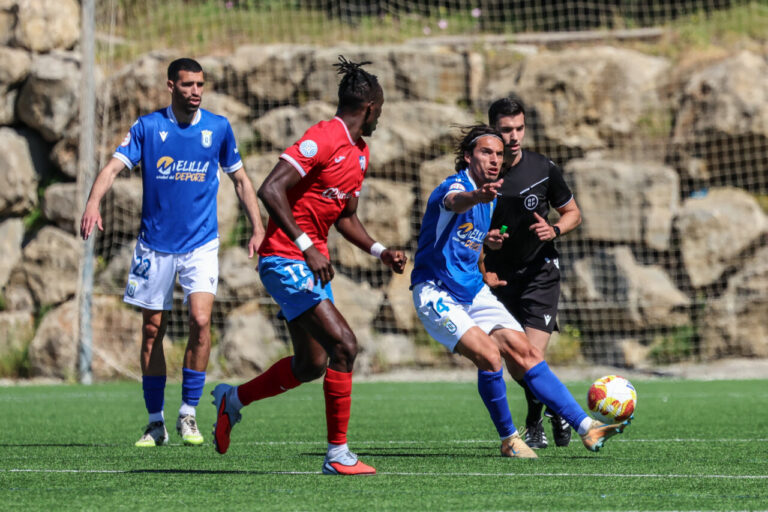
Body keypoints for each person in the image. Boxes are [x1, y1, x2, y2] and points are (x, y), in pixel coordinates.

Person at [210, 56, 407, 476]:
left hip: (309, 264)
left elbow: (346, 216)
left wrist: (380, 250)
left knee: (311, 364)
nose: (380, 117)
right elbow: (270, 188)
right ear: (370, 107)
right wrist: (306, 245)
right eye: (381, 109)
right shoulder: (324, 137)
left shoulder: (359, 153)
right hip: (285, 258)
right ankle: (338, 455)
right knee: (345, 346)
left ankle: (232, 400)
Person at [411, 124, 628, 459]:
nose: (495, 159)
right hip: (436, 292)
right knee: (489, 355)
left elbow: (466, 244)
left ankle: (588, 428)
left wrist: (485, 263)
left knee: (526, 353)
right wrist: (476, 197)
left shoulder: (489, 200)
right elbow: (455, 202)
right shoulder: (457, 187)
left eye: (499, 154)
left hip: (473, 291)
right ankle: (510, 439)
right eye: (486, 152)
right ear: (468, 156)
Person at [80, 58, 266, 447]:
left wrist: (258, 226)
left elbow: (242, 181)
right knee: (152, 330)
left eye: (200, 84)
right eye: (187, 85)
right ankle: (154, 423)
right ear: (171, 86)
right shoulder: (149, 127)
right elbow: (113, 168)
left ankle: (188, 415)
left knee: (200, 320)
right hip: (155, 245)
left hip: (201, 243)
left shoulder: (218, 128)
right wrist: (93, 203)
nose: (195, 91)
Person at [481, 97, 583, 449]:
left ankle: (534, 420)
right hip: (500, 278)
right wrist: (485, 240)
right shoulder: (480, 176)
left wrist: (554, 230)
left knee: (531, 356)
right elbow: (463, 228)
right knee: (516, 362)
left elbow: (572, 213)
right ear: (492, 128)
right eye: (505, 129)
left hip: (541, 271)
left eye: (519, 128)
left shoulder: (542, 167)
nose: (513, 137)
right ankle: (553, 407)